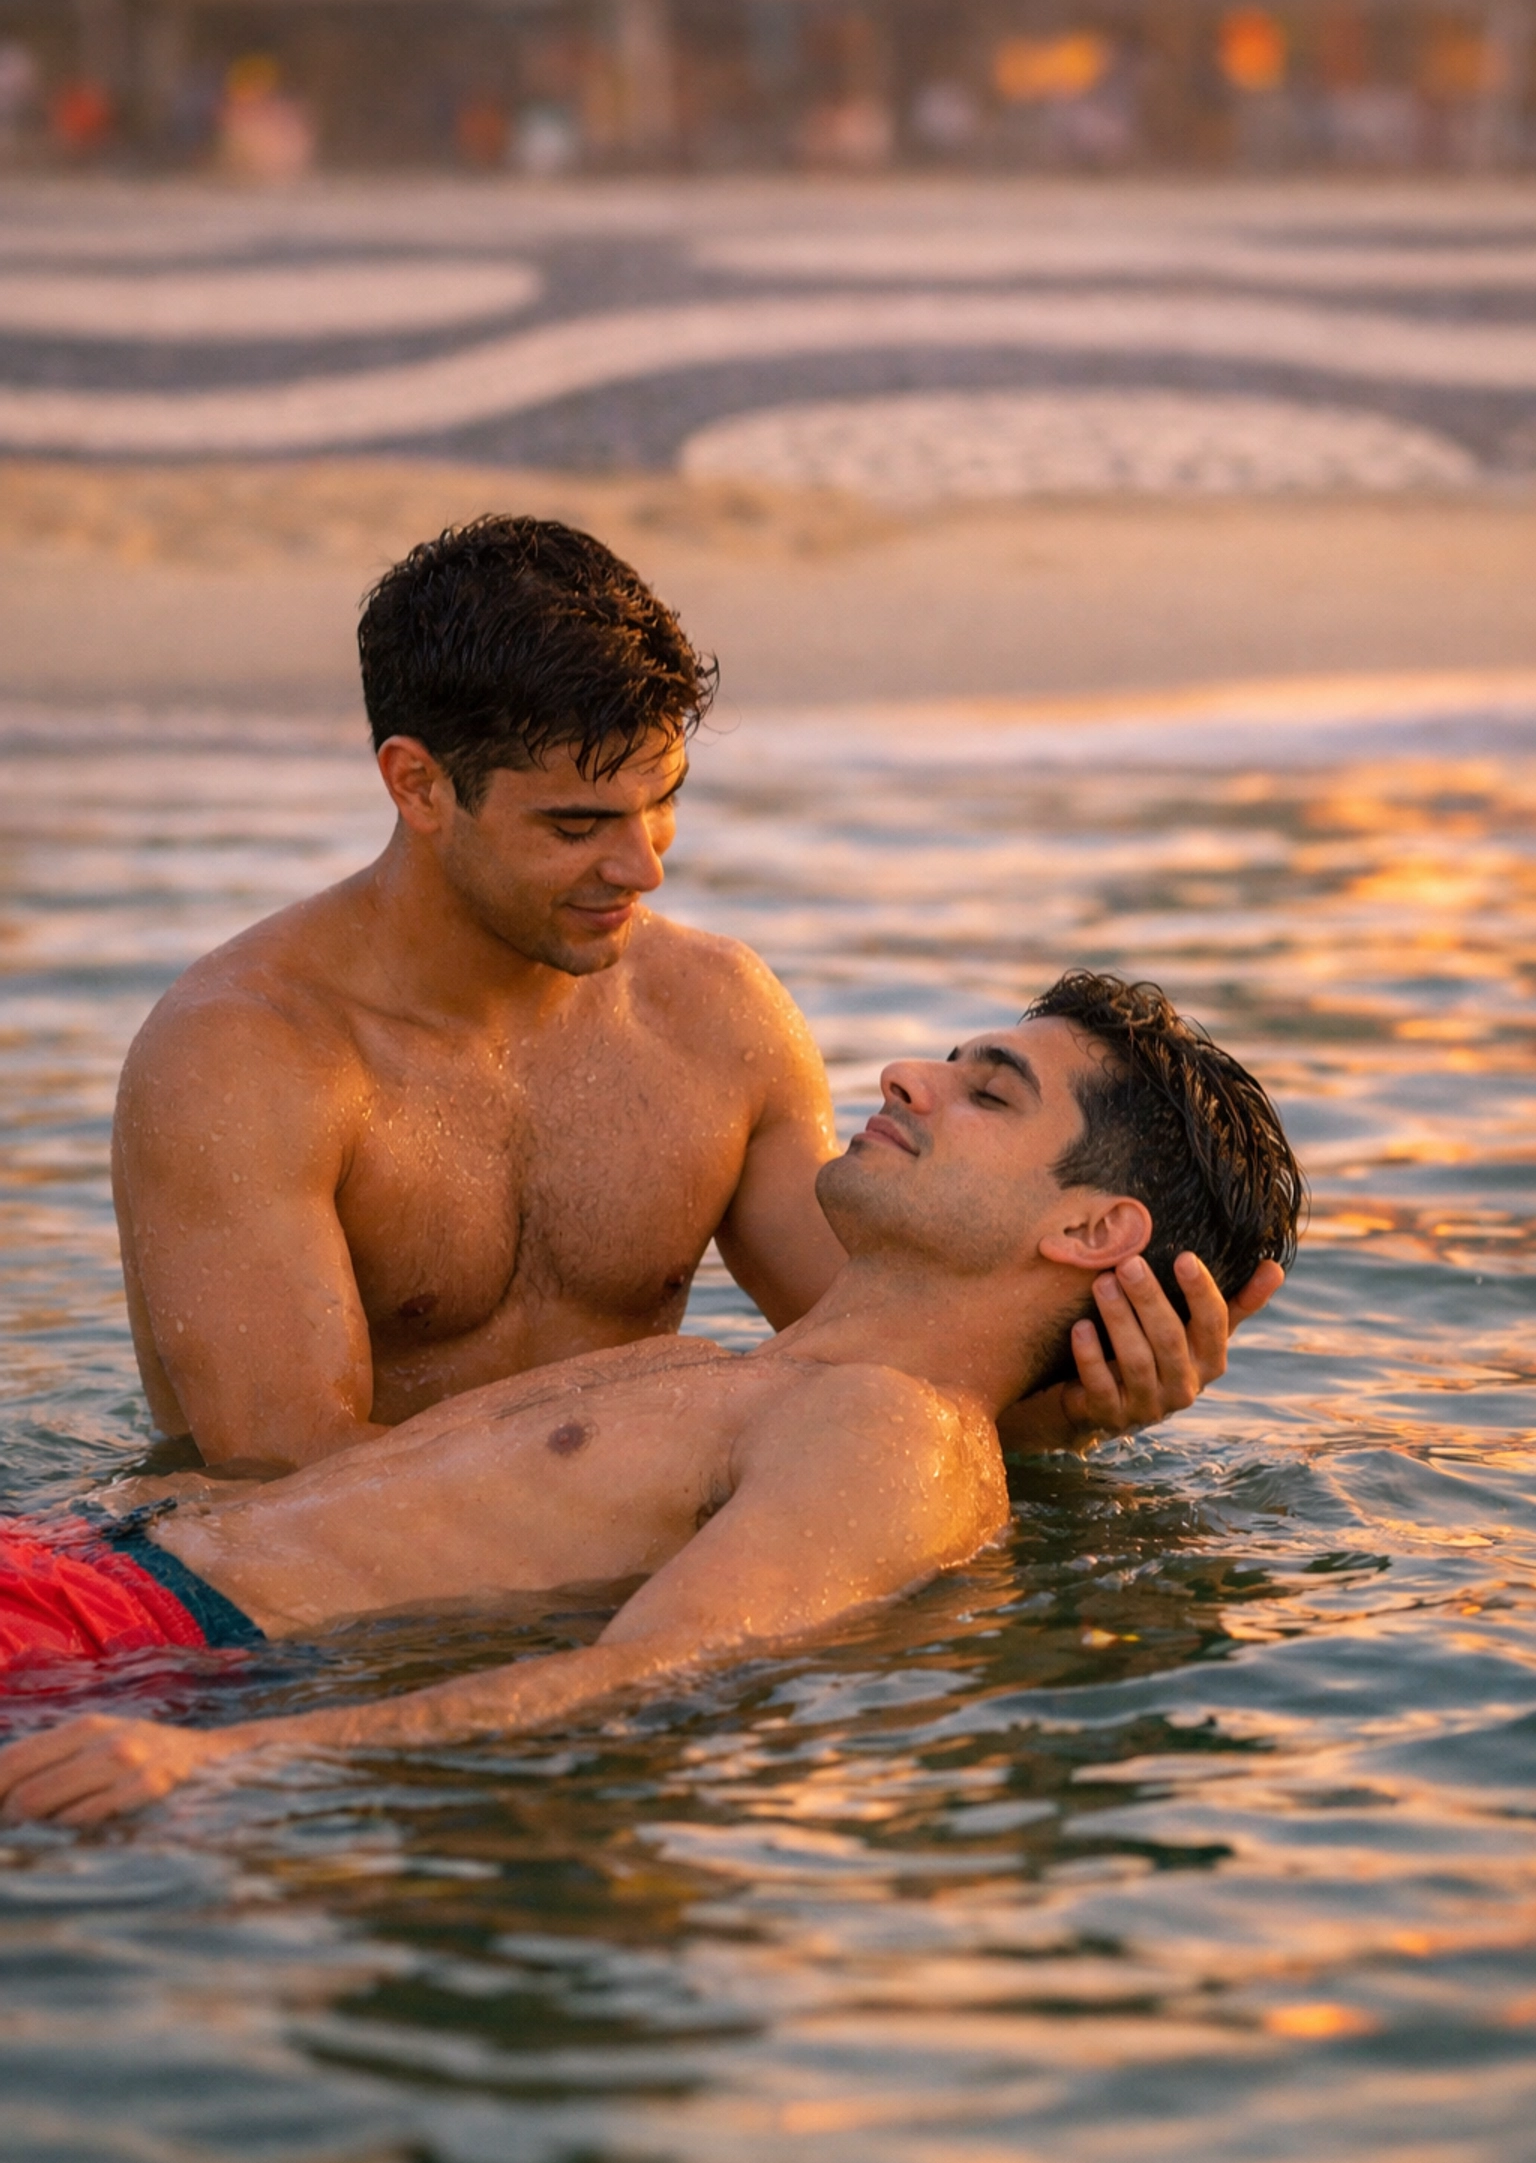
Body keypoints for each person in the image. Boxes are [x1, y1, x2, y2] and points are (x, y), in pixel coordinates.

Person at [112, 517, 1278, 1483]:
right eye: (578, 827)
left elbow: (883, 1370)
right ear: (418, 785)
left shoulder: (717, 1019)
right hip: (293, 1648)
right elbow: (280, 1487)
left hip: (634, 1607)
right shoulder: (247, 1057)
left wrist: (1077, 1417)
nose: (644, 867)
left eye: (661, 802)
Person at [0, 974, 1303, 1827]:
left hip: (121, 1661)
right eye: (949, 1062)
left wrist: (216, 1764)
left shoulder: (898, 1437)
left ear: (1090, 1227)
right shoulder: (741, 1375)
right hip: (75, 1573)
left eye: (987, 1093)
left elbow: (650, 1675)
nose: (910, 1074)